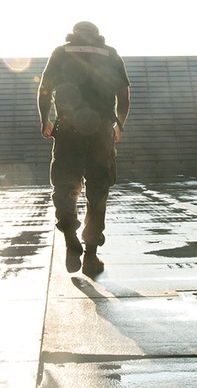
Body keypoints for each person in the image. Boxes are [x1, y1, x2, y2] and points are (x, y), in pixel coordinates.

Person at [38, 21, 130, 276]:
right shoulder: (110, 54)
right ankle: (91, 255)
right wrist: (119, 124)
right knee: (98, 190)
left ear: (73, 34)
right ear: (97, 35)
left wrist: (44, 119)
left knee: (65, 185)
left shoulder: (61, 52)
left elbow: (44, 90)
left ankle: (70, 237)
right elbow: (124, 98)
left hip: (68, 129)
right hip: (101, 131)